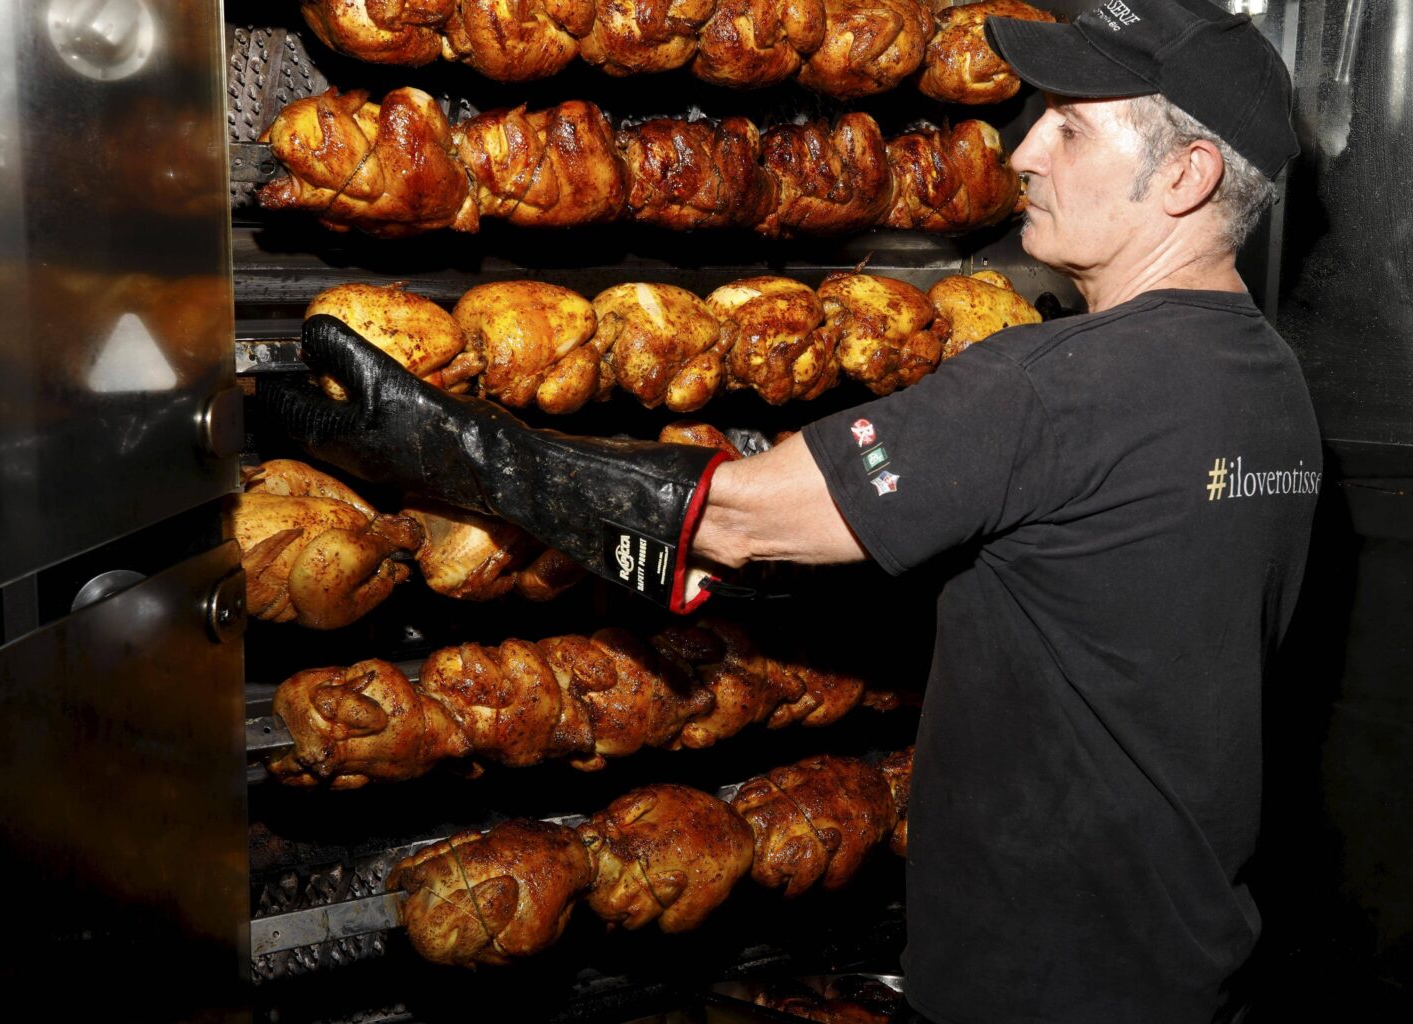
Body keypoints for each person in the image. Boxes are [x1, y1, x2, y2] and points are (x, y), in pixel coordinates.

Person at [272, 2, 1318, 1019]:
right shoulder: (1271, 387)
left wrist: (450, 446)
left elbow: (735, 518)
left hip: (1041, 975)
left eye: (1074, 126)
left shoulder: (1057, 384)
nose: (1024, 150)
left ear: (1186, 175)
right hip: (1184, 942)